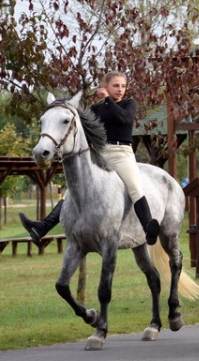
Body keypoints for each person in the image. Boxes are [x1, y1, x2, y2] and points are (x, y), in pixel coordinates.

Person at [19, 71, 161, 245]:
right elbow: (81, 133)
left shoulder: (129, 104)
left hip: (121, 154)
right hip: (99, 153)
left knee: (135, 187)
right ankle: (42, 227)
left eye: (123, 86)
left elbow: (124, 119)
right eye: (115, 86)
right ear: (105, 87)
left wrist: (108, 99)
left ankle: (149, 229)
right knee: (72, 191)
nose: (120, 90)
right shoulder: (95, 109)